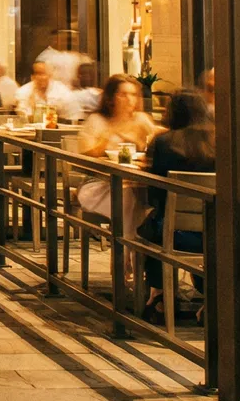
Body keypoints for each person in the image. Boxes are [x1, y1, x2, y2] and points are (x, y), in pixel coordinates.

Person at [140, 92, 215, 322]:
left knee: (149, 227)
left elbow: (154, 194)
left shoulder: (164, 142)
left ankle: (160, 294)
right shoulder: (221, 141)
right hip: (218, 232)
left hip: (176, 234)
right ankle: (211, 296)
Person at [75, 75, 159, 220]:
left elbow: (157, 143)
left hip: (135, 185)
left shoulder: (141, 119)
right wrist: (110, 134)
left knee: (141, 198)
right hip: (98, 185)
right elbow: (85, 158)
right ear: (110, 98)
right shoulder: (97, 120)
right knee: (127, 196)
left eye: (133, 94)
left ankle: (130, 233)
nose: (129, 99)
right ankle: (126, 234)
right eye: (123, 94)